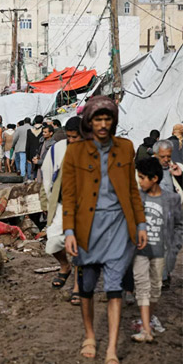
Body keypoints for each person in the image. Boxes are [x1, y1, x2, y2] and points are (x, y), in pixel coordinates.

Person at [62, 96, 147, 363]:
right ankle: (89, 334)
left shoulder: (126, 148)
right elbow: (69, 194)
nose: (102, 124)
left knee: (114, 288)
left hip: (119, 228)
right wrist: (68, 232)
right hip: (87, 229)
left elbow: (133, 191)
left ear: (113, 121)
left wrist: (141, 223)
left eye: (107, 119)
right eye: (97, 119)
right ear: (89, 121)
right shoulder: (74, 152)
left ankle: (111, 347)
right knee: (86, 286)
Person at [132, 157, 183, 343]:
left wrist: (175, 247)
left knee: (155, 289)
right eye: (138, 177)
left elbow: (179, 225)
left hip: (161, 252)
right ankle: (146, 329)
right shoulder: (137, 196)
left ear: (154, 178)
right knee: (143, 287)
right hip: (140, 252)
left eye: (142, 177)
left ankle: (147, 320)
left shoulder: (171, 199)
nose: (139, 181)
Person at [41, 116, 83, 306]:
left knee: (80, 249)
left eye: (77, 137)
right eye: (71, 137)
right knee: (52, 244)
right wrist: (48, 204)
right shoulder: (56, 150)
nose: (73, 141)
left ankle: (77, 287)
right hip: (60, 205)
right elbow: (47, 178)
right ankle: (64, 266)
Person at [151, 139, 183, 288]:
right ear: (155, 154)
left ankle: (163, 276)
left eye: (168, 156)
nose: (166, 160)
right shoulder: (147, 168)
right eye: (162, 157)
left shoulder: (176, 168)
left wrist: (179, 176)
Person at [25, 115, 44, 181]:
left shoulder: (29, 131)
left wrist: (27, 156)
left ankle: (30, 179)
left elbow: (27, 145)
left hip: (31, 152)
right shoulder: (44, 130)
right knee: (39, 167)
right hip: (41, 152)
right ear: (42, 121)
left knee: (31, 166)